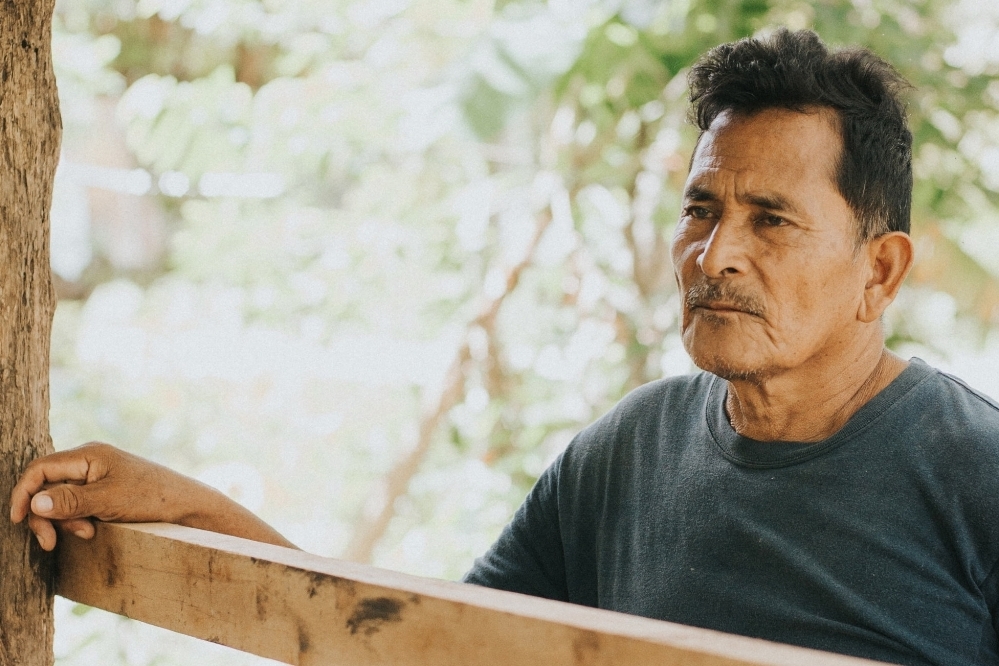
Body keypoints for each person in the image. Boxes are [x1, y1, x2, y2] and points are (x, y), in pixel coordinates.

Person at [10, 28, 999, 665]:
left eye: (771, 220)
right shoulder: (630, 448)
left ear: (882, 271)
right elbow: (421, 649)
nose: (716, 253)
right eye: (702, 208)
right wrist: (189, 506)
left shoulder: (973, 474)